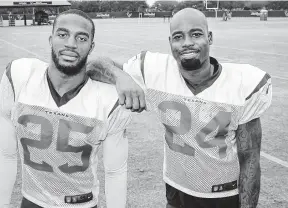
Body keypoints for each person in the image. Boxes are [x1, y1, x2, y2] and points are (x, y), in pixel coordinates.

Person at [87, 8, 272, 208]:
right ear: (170, 43)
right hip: (176, 191)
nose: (187, 43)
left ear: (209, 38)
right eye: (178, 36)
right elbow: (93, 65)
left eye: (196, 34)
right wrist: (119, 76)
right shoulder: (155, 72)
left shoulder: (242, 84)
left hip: (224, 196)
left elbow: (250, 161)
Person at [0, 9, 131, 208]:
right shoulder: (19, 77)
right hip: (31, 202)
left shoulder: (109, 98)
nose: (71, 44)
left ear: (91, 47)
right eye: (63, 34)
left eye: (81, 38)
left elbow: (115, 171)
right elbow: (5, 154)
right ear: (51, 39)